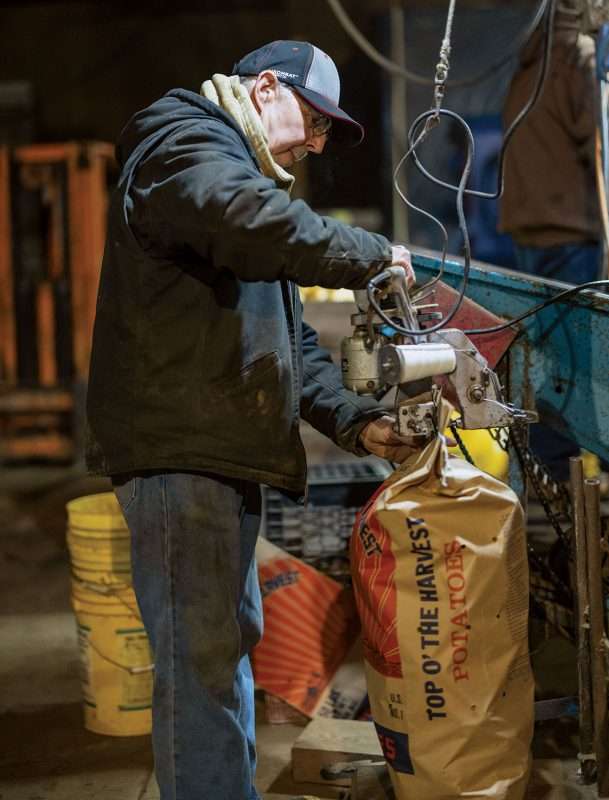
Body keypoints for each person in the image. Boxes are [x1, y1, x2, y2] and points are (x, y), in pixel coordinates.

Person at [86, 40, 416, 800]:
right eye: (313, 118)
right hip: (181, 452)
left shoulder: (236, 184)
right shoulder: (185, 147)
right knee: (199, 668)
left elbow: (288, 337)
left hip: (216, 451)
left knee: (224, 652)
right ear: (264, 86)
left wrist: (354, 423)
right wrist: (371, 254)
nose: (317, 144)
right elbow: (251, 222)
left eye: (329, 133)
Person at [499, 3, 601, 481]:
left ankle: (548, 466)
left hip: (529, 227)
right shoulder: (576, 55)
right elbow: (597, 135)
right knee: (579, 362)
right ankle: (564, 469)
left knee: (546, 357)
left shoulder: (529, 63)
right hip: (569, 229)